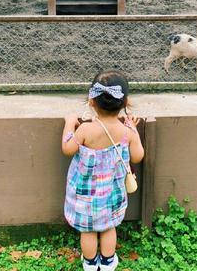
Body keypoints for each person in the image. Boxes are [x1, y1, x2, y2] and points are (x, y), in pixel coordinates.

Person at [62, 70, 145, 271]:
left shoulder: (85, 131)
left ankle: (90, 263)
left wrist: (69, 124)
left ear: (91, 101)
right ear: (126, 103)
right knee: (109, 228)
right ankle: (107, 262)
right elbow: (138, 156)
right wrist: (133, 130)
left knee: (88, 232)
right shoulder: (126, 133)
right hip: (112, 195)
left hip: (85, 196)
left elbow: (67, 148)